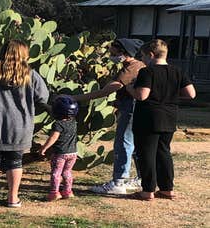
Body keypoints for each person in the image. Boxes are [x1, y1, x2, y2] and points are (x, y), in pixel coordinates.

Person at [0, 39, 49, 208]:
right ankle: (13, 198)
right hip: (20, 126)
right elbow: (43, 97)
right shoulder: (30, 74)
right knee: (15, 161)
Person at [126, 39, 196, 201]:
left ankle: (148, 190)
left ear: (150, 55)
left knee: (146, 154)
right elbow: (191, 94)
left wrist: (130, 88)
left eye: (143, 56)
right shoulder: (177, 71)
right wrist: (170, 94)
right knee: (164, 152)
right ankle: (167, 189)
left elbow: (142, 95)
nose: (142, 60)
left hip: (148, 118)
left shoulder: (147, 72)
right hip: (169, 116)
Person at [74, 38, 145, 194]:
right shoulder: (134, 65)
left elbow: (107, 90)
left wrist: (76, 98)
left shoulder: (131, 68)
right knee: (135, 145)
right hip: (135, 108)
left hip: (130, 108)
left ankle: (119, 181)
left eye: (113, 53)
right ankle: (142, 179)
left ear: (123, 53)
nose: (110, 55)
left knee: (123, 143)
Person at [39, 95, 78, 201]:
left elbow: (53, 137)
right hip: (73, 153)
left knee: (56, 173)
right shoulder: (74, 122)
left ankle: (54, 192)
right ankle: (68, 191)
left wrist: (44, 147)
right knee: (67, 172)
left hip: (60, 154)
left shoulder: (58, 124)